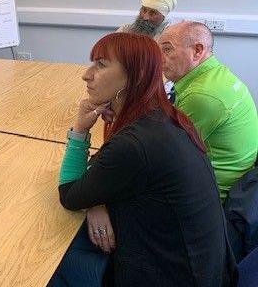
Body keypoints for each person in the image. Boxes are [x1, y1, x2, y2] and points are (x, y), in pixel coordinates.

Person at [50, 33, 235, 286]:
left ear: (133, 76)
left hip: (172, 275)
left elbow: (69, 195)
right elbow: (105, 166)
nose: (87, 74)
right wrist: (96, 199)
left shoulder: (135, 144)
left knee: (57, 262)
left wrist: (80, 132)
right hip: (202, 268)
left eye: (101, 65)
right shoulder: (161, 117)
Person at [158, 21, 258, 200]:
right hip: (237, 183)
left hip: (212, 197)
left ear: (197, 50)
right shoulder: (217, 74)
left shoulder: (201, 95)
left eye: (167, 50)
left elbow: (162, 155)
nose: (160, 58)